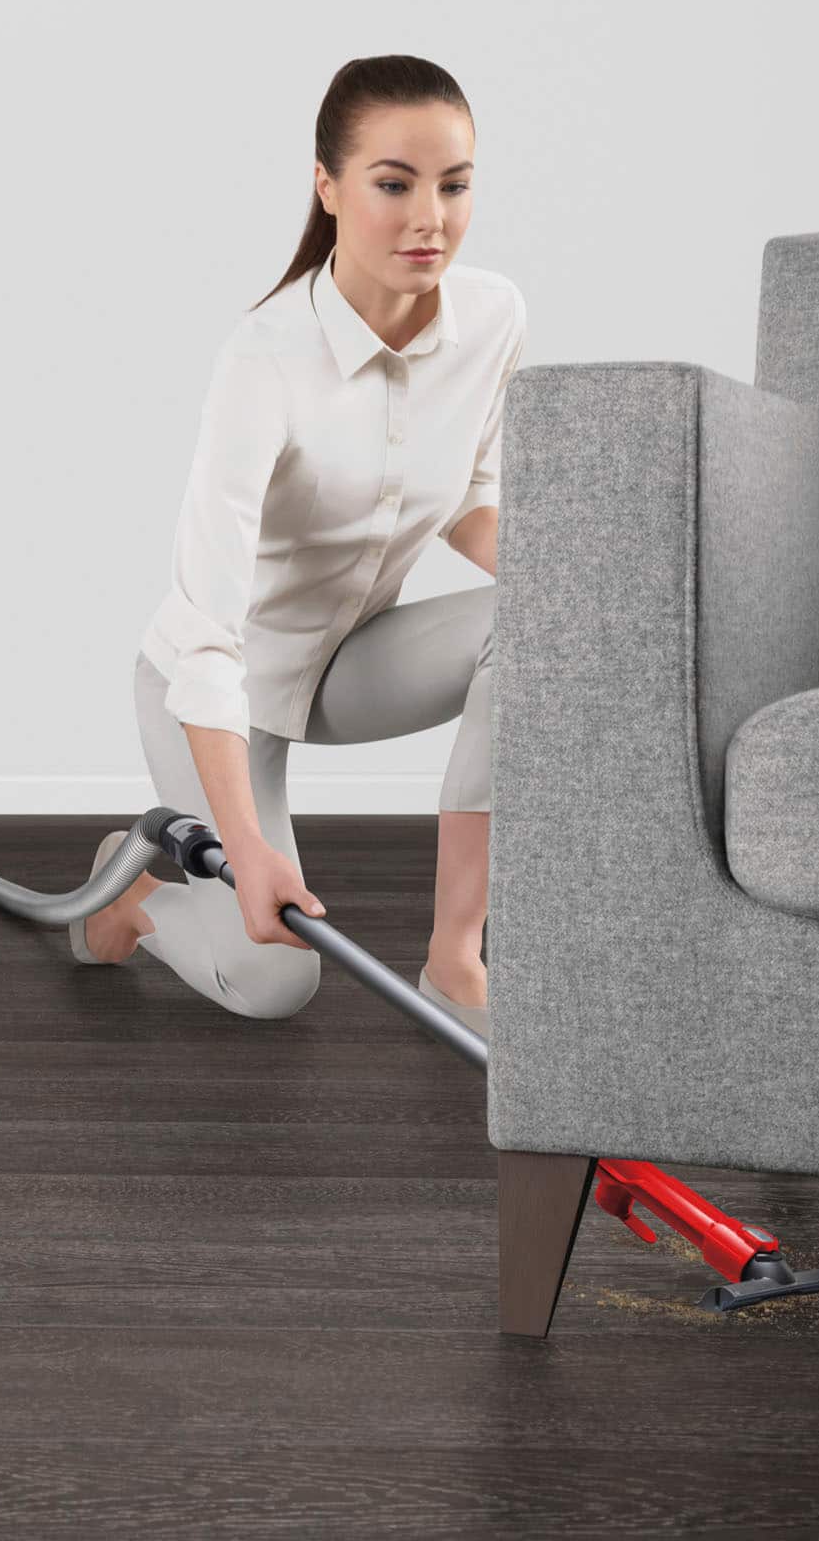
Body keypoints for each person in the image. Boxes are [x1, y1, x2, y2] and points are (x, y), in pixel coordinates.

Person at [73, 55, 524, 1036]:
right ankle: (130, 896)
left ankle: (454, 959)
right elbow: (205, 641)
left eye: (453, 185)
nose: (428, 219)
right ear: (326, 186)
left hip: (350, 660)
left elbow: (464, 503)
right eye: (392, 183)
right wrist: (246, 851)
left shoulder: (492, 318)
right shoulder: (263, 362)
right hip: (218, 692)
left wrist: (592, 577)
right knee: (276, 981)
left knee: (542, 621)